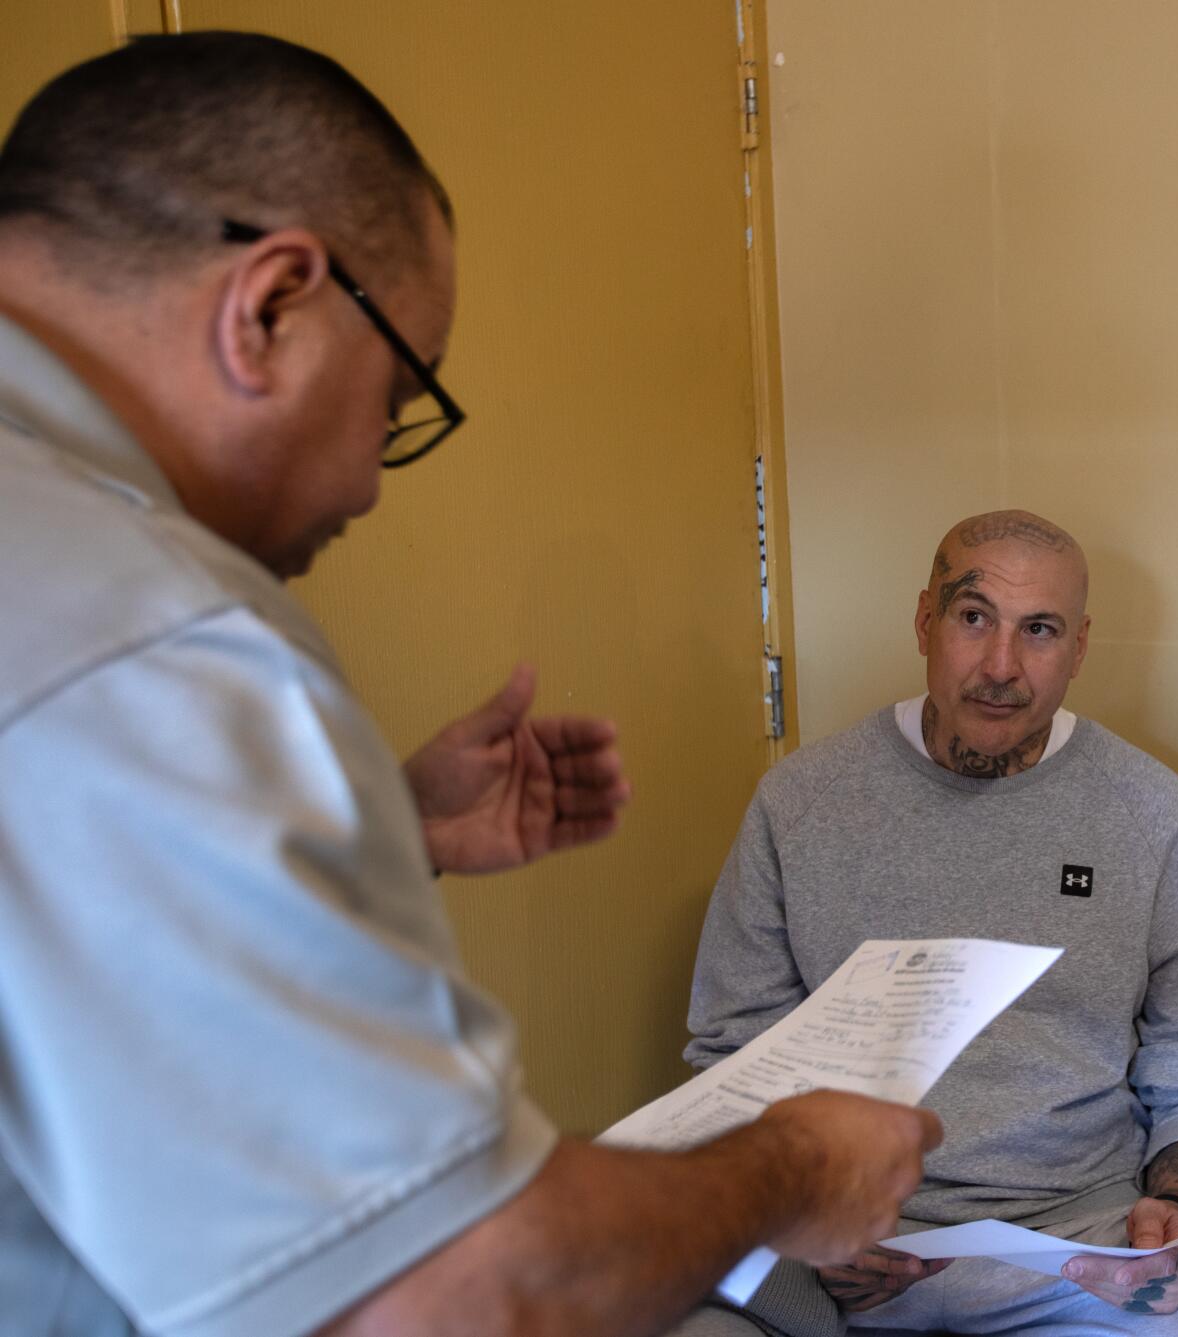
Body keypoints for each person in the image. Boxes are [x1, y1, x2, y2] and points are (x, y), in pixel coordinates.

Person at [0, 33, 937, 1337]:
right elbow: (462, 1292)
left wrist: (372, 821)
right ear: (271, 304)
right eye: (396, 404)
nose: (370, 487)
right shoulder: (153, 637)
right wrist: (798, 1170)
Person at [672, 510, 1178, 1337]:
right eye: (973, 617)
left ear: (1080, 647)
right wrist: (799, 1218)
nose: (1001, 666)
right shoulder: (801, 802)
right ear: (925, 620)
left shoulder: (1154, 816)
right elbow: (733, 1051)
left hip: (1070, 1238)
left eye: (1040, 630)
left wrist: (1173, 1201)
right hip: (826, 1238)